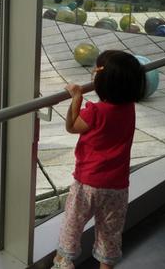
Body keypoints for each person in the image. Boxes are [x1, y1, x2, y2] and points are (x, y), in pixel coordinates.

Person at [52, 50, 147, 269]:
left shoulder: (96, 111)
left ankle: (63, 261)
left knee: (72, 224)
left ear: (103, 80)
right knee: (110, 232)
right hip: (117, 186)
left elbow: (71, 126)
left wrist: (77, 97)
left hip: (88, 183)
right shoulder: (129, 109)